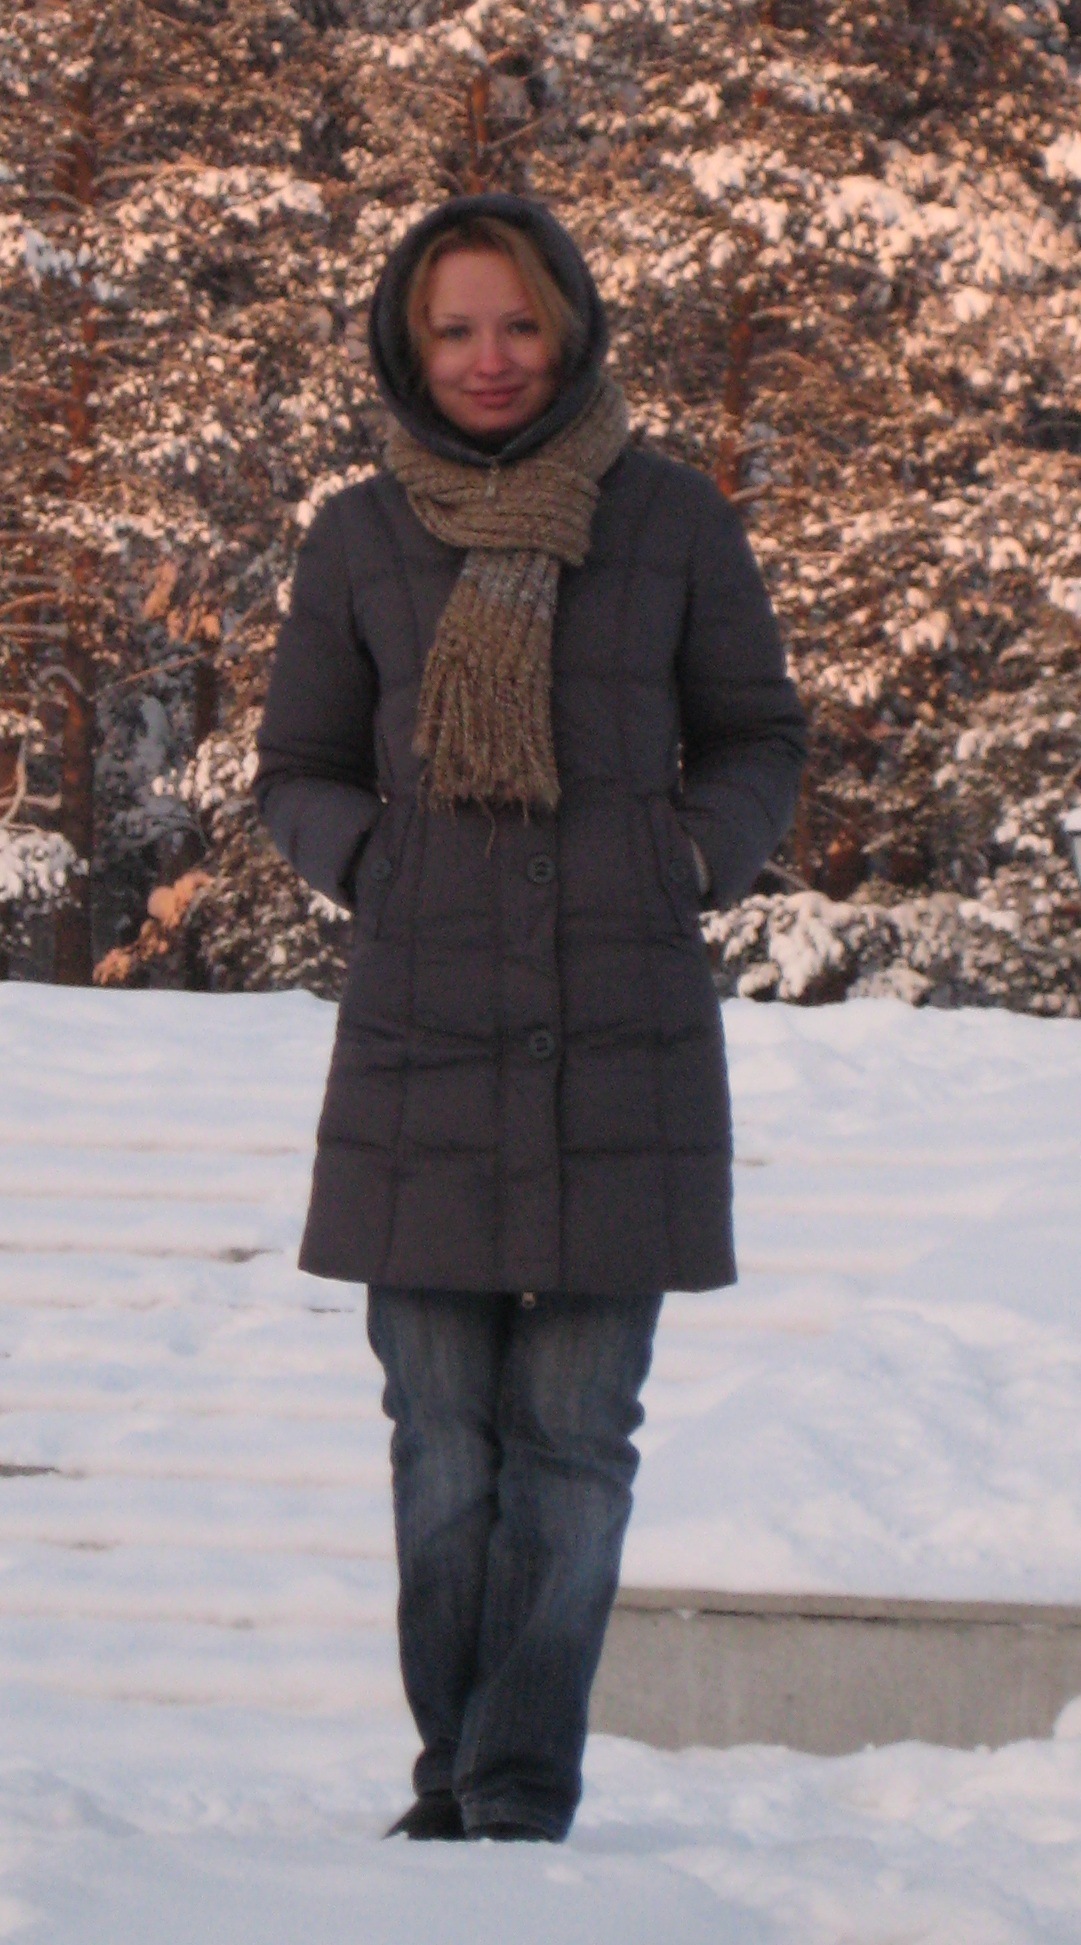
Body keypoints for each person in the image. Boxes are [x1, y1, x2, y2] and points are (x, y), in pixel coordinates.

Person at [254, 192, 807, 1844]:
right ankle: (456, 1769)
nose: (488, 357)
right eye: (454, 328)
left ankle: (510, 1791)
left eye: (516, 324)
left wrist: (685, 857)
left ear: (567, 326)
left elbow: (756, 735)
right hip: (421, 1039)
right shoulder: (359, 535)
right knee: (440, 1442)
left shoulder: (673, 518)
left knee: (572, 1440)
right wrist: (381, 863)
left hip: (620, 1029)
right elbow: (300, 765)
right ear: (406, 344)